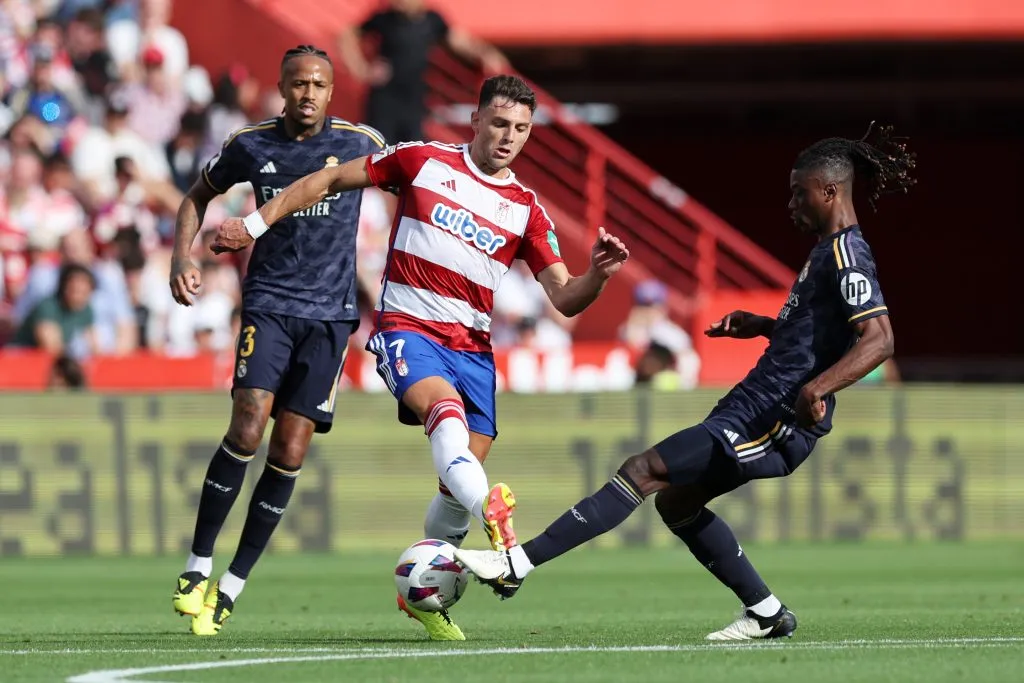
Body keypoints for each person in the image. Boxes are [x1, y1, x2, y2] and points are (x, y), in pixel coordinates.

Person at [454, 123, 914, 641]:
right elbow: (816, 336)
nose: (790, 203)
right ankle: (766, 612)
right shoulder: (824, 253)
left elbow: (879, 338)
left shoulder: (848, 254)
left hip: (777, 414)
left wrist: (818, 389)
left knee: (643, 469)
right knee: (677, 502)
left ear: (829, 191)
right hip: (756, 402)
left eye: (797, 191)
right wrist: (762, 327)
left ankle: (520, 563)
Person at [211, 75, 630, 640]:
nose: (510, 137)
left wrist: (598, 275)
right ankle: (499, 523)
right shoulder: (422, 161)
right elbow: (333, 176)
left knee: (453, 494)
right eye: (501, 124)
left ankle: (425, 597)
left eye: (522, 129)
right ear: (476, 121)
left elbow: (564, 297)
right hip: (408, 329)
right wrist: (256, 223)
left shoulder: (528, 211)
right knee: (447, 420)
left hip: (474, 349)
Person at [167, 45, 385, 637]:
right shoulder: (250, 144)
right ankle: (196, 566)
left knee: (289, 450)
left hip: (332, 317)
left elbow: (411, 187)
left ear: (331, 92)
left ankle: (231, 587)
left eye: (318, 83)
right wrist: (180, 258)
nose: (308, 93)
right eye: (298, 84)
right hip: (269, 303)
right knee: (248, 422)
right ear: (282, 87)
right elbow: (195, 197)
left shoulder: (363, 142)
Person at [338, 0, 508, 144]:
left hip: (414, 98)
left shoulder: (432, 19)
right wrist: (361, 69)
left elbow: (458, 41)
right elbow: (348, 35)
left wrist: (485, 53)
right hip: (384, 99)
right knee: (378, 147)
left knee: (412, 149)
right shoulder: (384, 18)